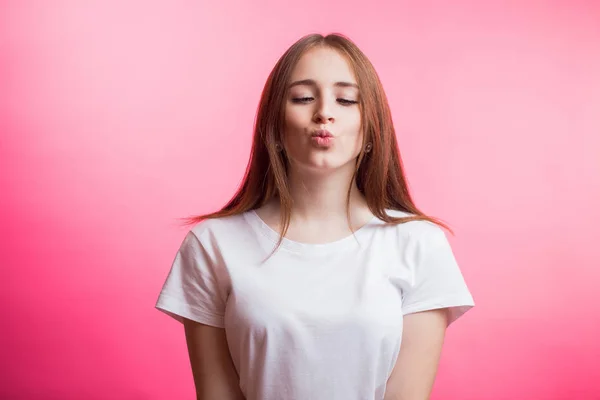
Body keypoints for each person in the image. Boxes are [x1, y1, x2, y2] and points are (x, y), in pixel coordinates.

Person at [155, 32, 475, 400]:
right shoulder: (212, 245)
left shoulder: (419, 244)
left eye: (346, 99)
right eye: (303, 98)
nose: (324, 112)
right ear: (274, 125)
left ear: (370, 130)